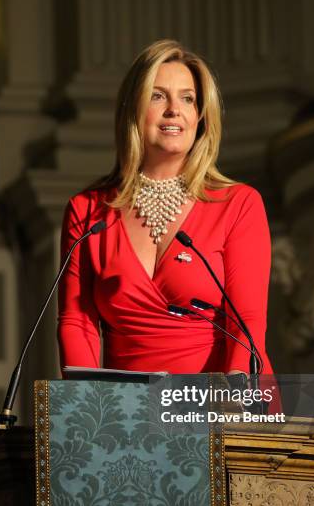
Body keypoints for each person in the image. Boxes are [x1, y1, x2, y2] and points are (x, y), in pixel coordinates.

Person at [58, 39, 276, 407]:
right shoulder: (88, 211)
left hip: (221, 407)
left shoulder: (238, 204)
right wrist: (87, 408)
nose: (175, 110)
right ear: (133, 109)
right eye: (158, 96)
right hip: (126, 418)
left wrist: (235, 396)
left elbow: (248, 319)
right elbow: (76, 322)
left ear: (201, 116)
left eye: (188, 99)